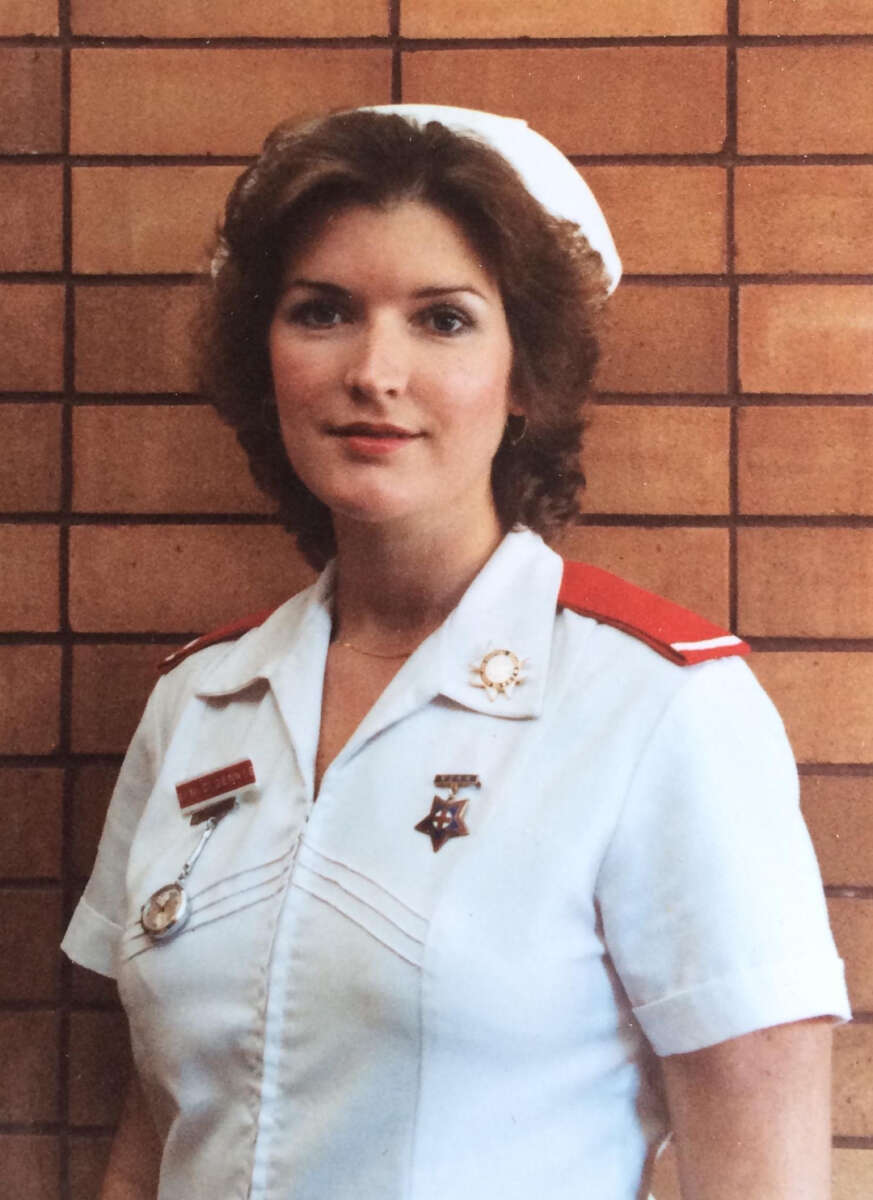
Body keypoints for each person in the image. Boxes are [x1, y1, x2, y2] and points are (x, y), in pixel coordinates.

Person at [63, 105, 849, 1200]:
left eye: (442, 320)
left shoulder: (658, 706)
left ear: (525, 375)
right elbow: (152, 1139)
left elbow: (759, 1172)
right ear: (265, 356)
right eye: (322, 312)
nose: (374, 370)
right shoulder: (200, 701)